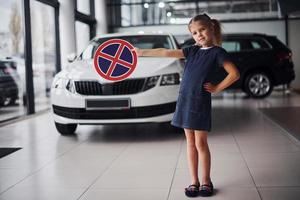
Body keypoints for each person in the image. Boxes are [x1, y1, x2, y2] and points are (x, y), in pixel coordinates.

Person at [136, 13, 240, 197]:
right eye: (194, 32)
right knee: (190, 143)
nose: (199, 35)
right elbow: (166, 52)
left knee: (201, 143)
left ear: (211, 28)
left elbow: (234, 74)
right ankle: (194, 181)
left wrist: (217, 88)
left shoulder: (217, 52)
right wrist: (141, 52)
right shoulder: (192, 50)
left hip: (200, 102)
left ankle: (206, 181)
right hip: (184, 100)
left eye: (202, 30)